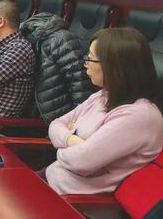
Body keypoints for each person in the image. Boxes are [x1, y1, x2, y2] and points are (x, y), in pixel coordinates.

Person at [44, 27, 163, 195]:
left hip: (75, 199)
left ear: (114, 66)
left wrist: (63, 143)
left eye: (91, 58)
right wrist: (73, 140)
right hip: (54, 178)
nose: (85, 64)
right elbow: (55, 125)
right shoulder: (104, 95)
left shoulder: (140, 116)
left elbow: (81, 161)